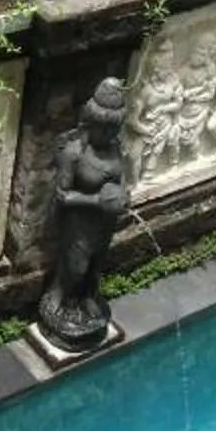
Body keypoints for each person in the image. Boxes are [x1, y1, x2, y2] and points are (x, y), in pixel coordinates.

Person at [38, 78, 130, 353]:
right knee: (76, 266)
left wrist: (123, 196)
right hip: (80, 222)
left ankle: (88, 298)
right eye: (106, 127)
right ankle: (65, 305)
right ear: (93, 122)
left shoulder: (114, 147)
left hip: (105, 221)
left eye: (115, 127)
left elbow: (121, 177)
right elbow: (63, 196)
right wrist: (96, 201)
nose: (111, 133)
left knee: (95, 264)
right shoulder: (75, 153)